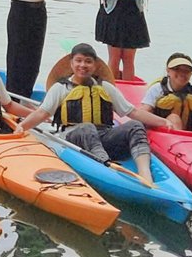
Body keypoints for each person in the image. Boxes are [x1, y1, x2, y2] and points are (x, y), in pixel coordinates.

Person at [16, 43, 170, 185]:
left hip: (103, 136)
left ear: (95, 65)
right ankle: (107, 167)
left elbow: (133, 112)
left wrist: (163, 122)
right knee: (87, 128)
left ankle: (145, 172)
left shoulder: (105, 87)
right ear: (72, 64)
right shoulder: (60, 88)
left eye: (88, 61)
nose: (83, 65)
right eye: (79, 61)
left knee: (135, 126)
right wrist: (21, 126)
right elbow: (42, 113)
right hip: (73, 138)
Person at [136, 53, 192, 132]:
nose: (182, 74)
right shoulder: (157, 89)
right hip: (163, 134)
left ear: (191, 74)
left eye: (187, 71)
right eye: (177, 69)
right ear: (168, 71)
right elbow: (143, 113)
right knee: (174, 118)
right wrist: (163, 122)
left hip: (190, 136)